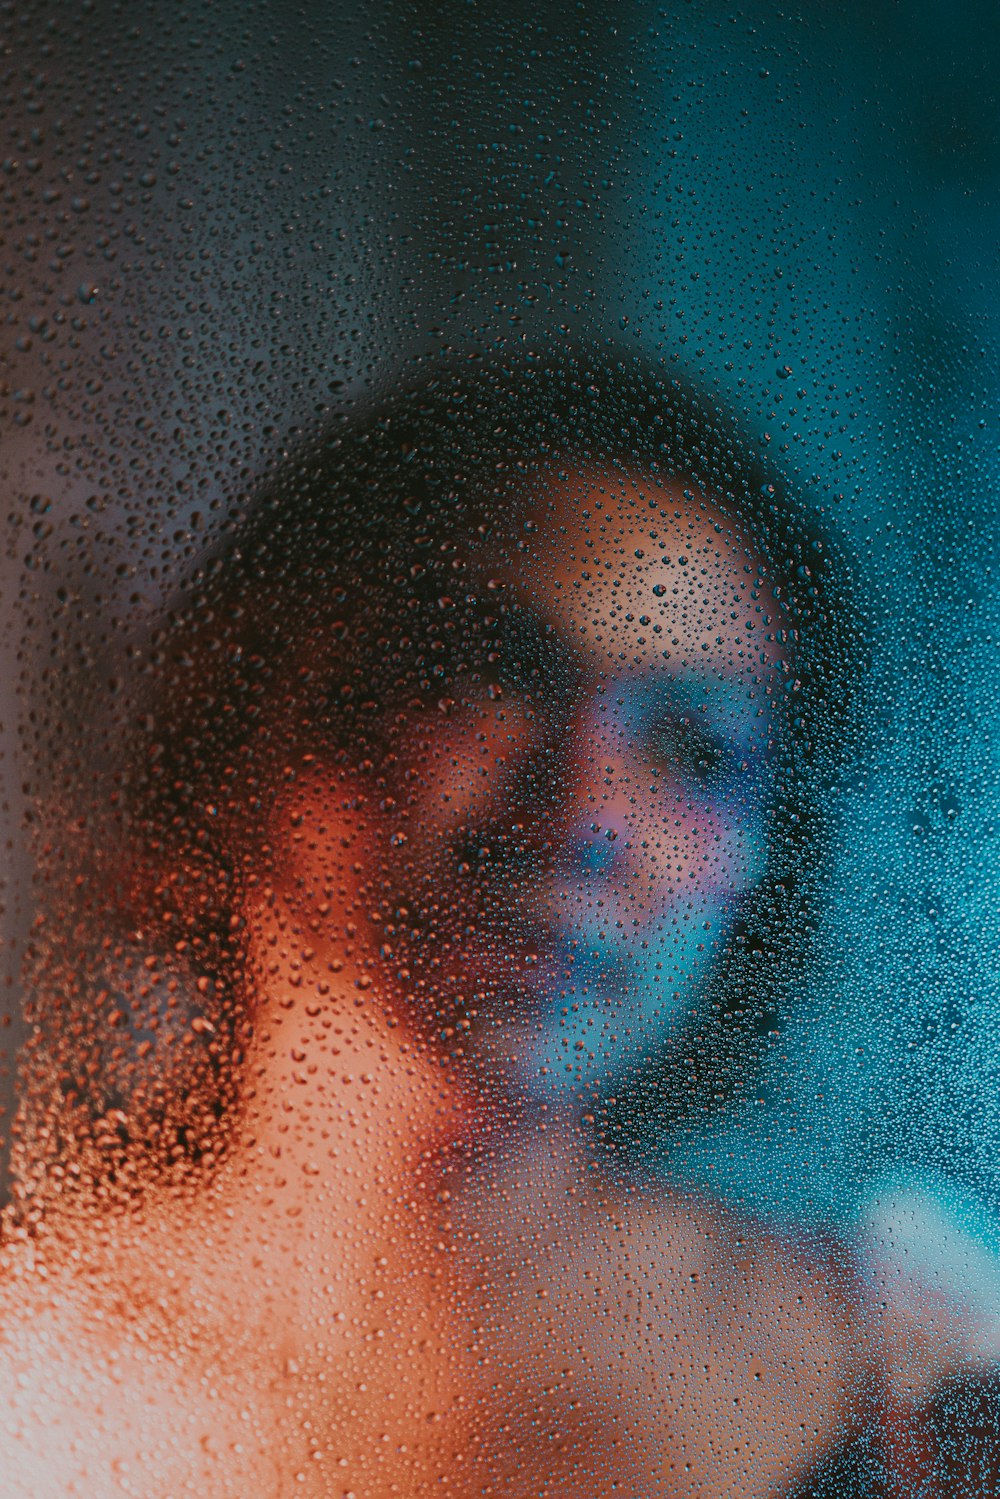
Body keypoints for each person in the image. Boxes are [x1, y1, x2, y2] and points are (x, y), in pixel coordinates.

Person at [2, 350, 996, 1496]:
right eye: (484, 674)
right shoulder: (33, 1360)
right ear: (261, 714)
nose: (584, 815)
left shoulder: (921, 1377)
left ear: (759, 862)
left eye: (695, 750)